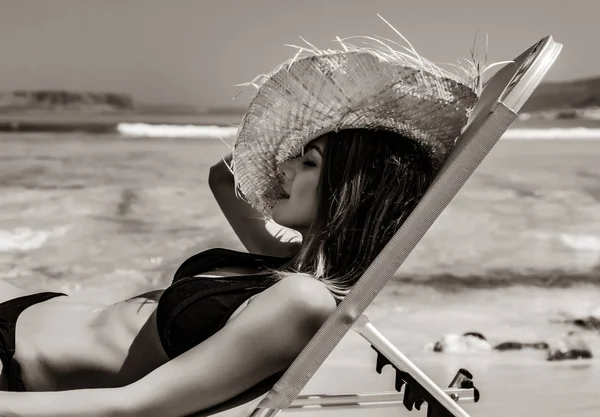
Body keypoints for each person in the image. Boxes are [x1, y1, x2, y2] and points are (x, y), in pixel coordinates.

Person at [0, 30, 481, 417]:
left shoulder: (301, 298)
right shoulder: (288, 267)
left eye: (308, 162)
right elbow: (222, 178)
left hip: (14, 367)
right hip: (22, 319)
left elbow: (137, 406)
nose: (284, 168)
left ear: (351, 192)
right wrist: (306, 145)